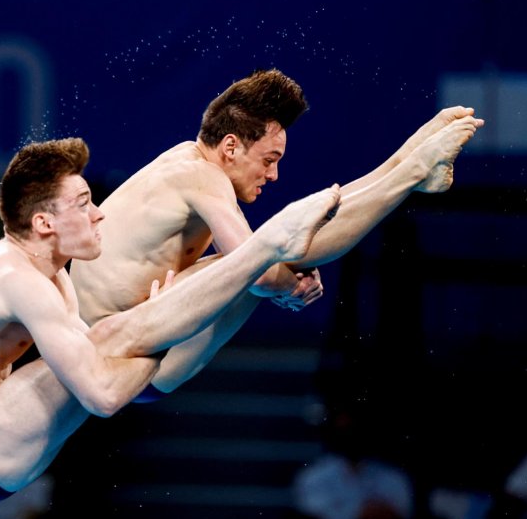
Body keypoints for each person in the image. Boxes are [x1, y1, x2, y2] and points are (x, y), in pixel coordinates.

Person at [0, 136, 342, 504]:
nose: (99, 214)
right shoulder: (20, 281)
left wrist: (163, 320)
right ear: (43, 223)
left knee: (125, 334)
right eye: (82, 204)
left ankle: (268, 249)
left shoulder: (49, 273)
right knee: (123, 336)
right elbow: (104, 397)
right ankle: (268, 246)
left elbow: (111, 366)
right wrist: (162, 322)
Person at [69, 68, 484, 399]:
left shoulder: (185, 161)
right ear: (231, 147)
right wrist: (288, 285)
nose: (274, 174)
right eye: (269, 159)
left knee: (274, 252)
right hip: (120, 355)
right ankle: (411, 171)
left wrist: (280, 277)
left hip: (140, 345)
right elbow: (263, 272)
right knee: (274, 253)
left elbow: (258, 266)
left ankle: (407, 163)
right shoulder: (199, 176)